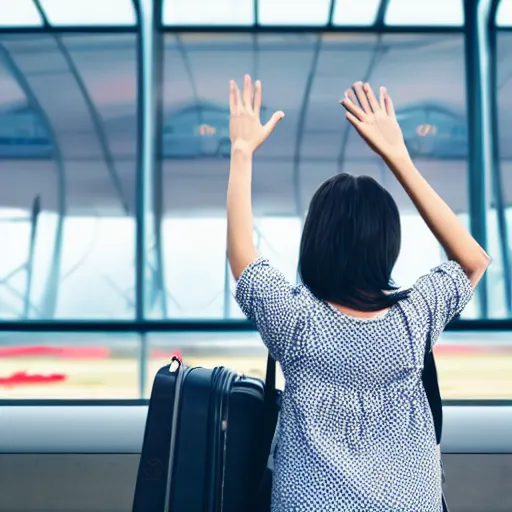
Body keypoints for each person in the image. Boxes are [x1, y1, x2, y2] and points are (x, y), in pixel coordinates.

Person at [226, 75, 490, 511]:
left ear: (314, 241)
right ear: (388, 243)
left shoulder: (296, 324)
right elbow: (473, 260)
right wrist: (398, 157)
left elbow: (242, 258)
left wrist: (241, 152)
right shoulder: (414, 320)